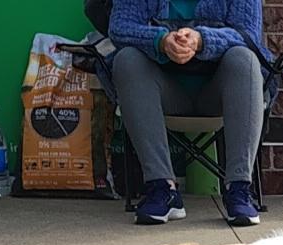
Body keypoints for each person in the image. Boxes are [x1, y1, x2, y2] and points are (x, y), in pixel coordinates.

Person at [109, 0, 268, 227]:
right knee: (126, 60)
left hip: (219, 91)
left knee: (245, 58)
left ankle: (239, 188)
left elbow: (248, 34)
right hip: (163, 90)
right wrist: (161, 41)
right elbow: (119, 27)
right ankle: (162, 188)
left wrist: (201, 40)